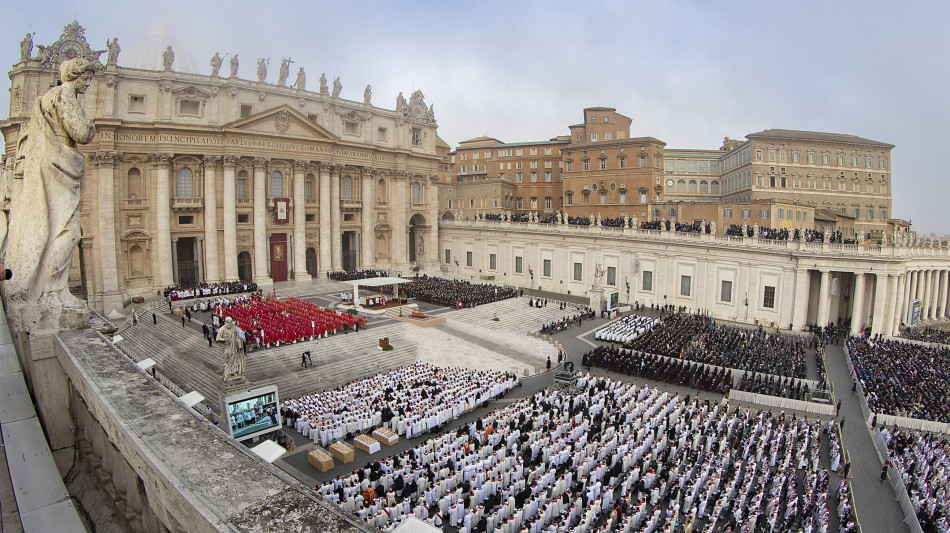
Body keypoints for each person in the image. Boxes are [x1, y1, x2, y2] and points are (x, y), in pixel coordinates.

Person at [4, 58, 97, 309]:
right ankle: (51, 291)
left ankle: (48, 289)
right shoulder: (65, 96)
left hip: (53, 166)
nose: (89, 83)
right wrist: (92, 126)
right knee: (68, 231)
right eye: (86, 77)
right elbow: (82, 133)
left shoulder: (45, 98)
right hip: (61, 166)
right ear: (74, 75)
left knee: (54, 228)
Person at [217, 316, 245, 381]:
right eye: (228, 322)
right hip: (227, 347)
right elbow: (217, 338)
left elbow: (237, 337)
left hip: (234, 347)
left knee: (235, 359)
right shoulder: (222, 329)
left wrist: (239, 344)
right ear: (225, 322)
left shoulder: (233, 328)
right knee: (227, 359)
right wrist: (224, 339)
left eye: (230, 323)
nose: (229, 324)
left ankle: (234, 372)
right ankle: (227, 374)